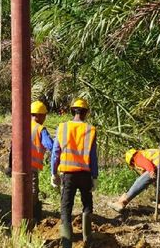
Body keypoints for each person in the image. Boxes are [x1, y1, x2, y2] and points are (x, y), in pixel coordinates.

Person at [51, 98, 98, 248]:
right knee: (87, 204)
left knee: (66, 206)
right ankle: (87, 240)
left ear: (73, 111)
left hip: (68, 174)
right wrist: (94, 177)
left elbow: (55, 152)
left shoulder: (62, 127)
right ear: (86, 113)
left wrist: (53, 172)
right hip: (84, 174)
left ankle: (66, 243)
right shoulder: (90, 129)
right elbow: (93, 156)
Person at [108, 148, 160, 213]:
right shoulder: (146, 153)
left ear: (131, 161)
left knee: (139, 181)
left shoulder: (136, 156)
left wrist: (151, 171)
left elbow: (146, 163)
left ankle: (121, 202)